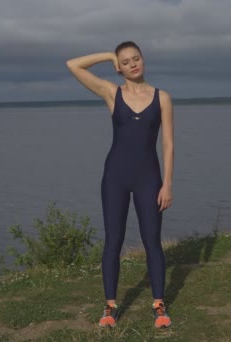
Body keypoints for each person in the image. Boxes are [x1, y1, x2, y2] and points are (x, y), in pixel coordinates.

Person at [66, 41, 174, 329]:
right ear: (119, 67)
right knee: (113, 240)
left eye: (135, 58)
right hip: (115, 176)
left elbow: (168, 143)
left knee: (152, 240)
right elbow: (72, 65)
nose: (132, 64)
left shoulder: (161, 97)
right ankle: (110, 307)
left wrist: (167, 184)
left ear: (143, 59)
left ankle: (159, 305)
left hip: (149, 179)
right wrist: (107, 56)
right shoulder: (111, 93)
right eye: (125, 61)